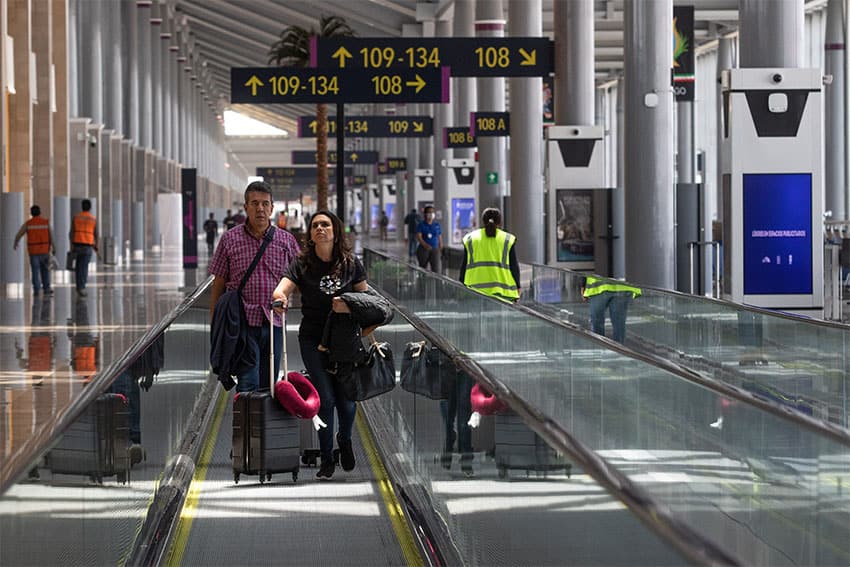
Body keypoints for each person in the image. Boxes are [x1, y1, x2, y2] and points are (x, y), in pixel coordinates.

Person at [272, 210, 368, 480]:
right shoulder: (302, 263)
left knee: (347, 402)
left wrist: (350, 307)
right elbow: (282, 288)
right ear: (310, 234)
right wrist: (280, 298)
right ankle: (326, 457)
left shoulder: (350, 263)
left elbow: (367, 298)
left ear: (335, 231)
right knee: (325, 400)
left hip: (345, 340)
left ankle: (344, 440)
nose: (320, 229)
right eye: (315, 226)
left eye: (325, 224)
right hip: (313, 339)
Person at [208, 181, 300, 393]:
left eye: (265, 204)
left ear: (272, 208)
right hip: (241, 323)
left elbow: (298, 277)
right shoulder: (229, 240)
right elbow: (219, 284)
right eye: (255, 203)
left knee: (270, 385)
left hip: (274, 323)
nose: (260, 208)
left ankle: (264, 427)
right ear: (246, 207)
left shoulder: (286, 241)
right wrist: (216, 325)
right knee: (247, 383)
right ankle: (246, 426)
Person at [459, 208, 520, 303]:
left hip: (473, 292)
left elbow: (464, 266)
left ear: (483, 221)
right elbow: (514, 267)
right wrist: (518, 287)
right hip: (503, 294)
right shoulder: (507, 239)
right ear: (499, 222)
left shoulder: (470, 239)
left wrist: (461, 285)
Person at [580, 275, 641, 344]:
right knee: (618, 322)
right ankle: (617, 350)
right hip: (620, 286)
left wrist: (583, 285)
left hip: (602, 287)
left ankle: (601, 347)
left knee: (598, 320)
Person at [13, 205, 56, 296]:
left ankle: (36, 290)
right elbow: (52, 237)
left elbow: (19, 234)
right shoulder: (46, 222)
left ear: (31, 213)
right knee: (45, 271)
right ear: (40, 212)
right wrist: (54, 248)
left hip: (33, 252)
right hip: (45, 251)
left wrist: (15, 243)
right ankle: (46, 289)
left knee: (35, 272)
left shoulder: (28, 224)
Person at [70, 199, 98, 297]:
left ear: (81, 207)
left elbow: (71, 232)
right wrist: (96, 246)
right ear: (90, 208)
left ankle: (78, 286)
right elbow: (96, 234)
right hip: (87, 246)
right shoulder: (93, 219)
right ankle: (82, 287)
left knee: (78, 267)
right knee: (84, 267)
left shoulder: (76, 217)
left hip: (77, 245)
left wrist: (71, 245)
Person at [416, 205, 443, 273]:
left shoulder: (436, 224)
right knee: (423, 268)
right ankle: (422, 282)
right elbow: (419, 237)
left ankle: (436, 283)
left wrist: (440, 244)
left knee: (436, 269)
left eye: (432, 212)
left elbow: (439, 235)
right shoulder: (421, 225)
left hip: (435, 249)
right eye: (429, 212)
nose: (431, 214)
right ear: (425, 214)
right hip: (424, 249)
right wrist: (424, 245)